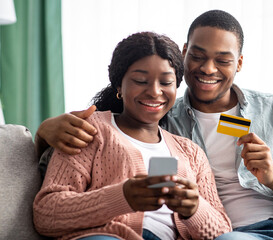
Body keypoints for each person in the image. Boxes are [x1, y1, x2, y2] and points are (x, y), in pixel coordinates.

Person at [36, 10, 273, 240]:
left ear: (239, 63)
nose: (208, 69)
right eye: (198, 56)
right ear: (184, 53)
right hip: (241, 236)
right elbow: (118, 116)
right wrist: (40, 134)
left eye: (223, 60)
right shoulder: (164, 119)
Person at [33, 31, 233, 240]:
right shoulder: (90, 130)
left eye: (165, 83)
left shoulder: (191, 152)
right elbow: (46, 213)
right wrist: (121, 198)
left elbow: (223, 232)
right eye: (140, 80)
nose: (155, 92)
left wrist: (195, 209)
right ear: (119, 85)